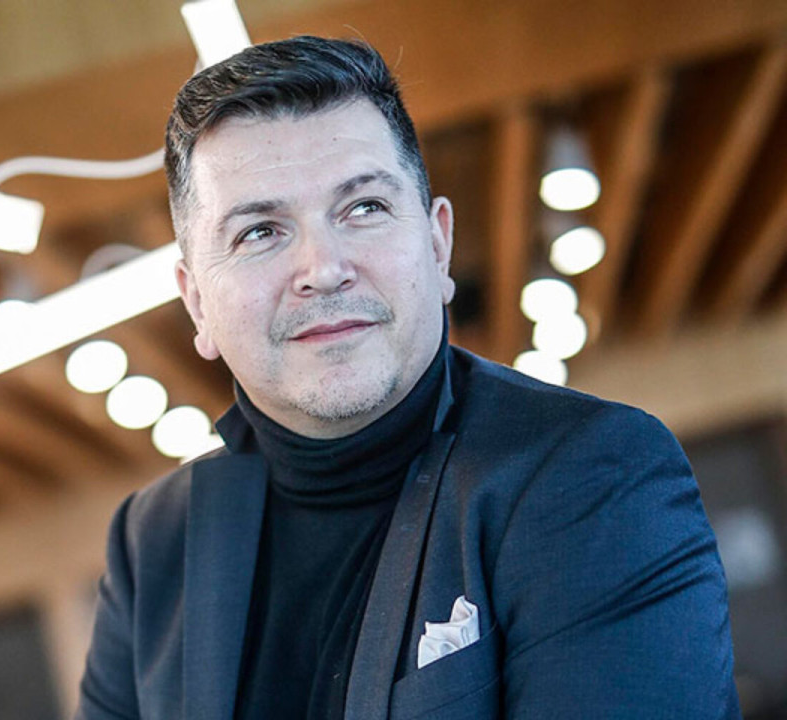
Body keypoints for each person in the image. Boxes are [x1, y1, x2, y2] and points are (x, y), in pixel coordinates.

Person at [75, 36, 738, 719]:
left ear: (438, 243)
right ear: (197, 303)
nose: (323, 269)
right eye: (260, 232)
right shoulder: (152, 541)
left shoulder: (591, 475)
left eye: (364, 207)